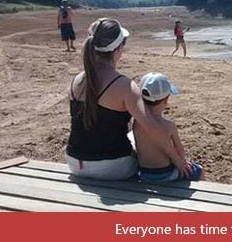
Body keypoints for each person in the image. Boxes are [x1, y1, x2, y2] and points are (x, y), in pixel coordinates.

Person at [65, 18, 191, 181]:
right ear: (118, 49)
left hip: (74, 163)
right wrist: (177, 160)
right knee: (142, 138)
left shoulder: (77, 80)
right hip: (111, 167)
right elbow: (152, 128)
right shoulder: (124, 86)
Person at [133, 72, 203, 182]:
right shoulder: (169, 126)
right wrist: (183, 161)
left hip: (144, 173)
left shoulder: (137, 122)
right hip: (166, 173)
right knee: (198, 170)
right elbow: (180, 152)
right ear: (166, 100)